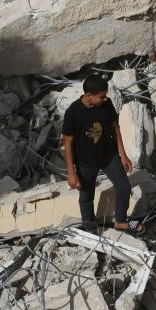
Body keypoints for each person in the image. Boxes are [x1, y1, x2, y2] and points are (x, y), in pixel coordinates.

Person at [61, 74, 134, 231]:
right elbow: (67, 142)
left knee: (124, 187)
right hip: (85, 162)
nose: (105, 98)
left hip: (109, 157)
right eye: (101, 96)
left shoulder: (106, 104)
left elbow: (115, 128)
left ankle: (120, 220)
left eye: (105, 95)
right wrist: (71, 172)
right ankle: (90, 226)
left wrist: (123, 155)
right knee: (86, 196)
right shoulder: (73, 112)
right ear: (88, 95)